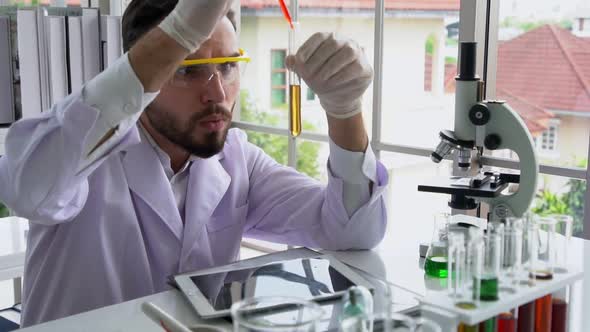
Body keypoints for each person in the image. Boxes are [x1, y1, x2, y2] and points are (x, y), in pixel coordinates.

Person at [0, 0, 388, 327]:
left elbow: (351, 231)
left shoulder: (237, 160)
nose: (217, 93)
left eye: (228, 66)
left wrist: (345, 111)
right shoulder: (85, 157)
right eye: (188, 69)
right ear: (144, 75)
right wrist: (175, 34)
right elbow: (28, 187)